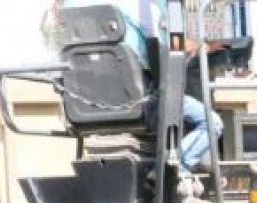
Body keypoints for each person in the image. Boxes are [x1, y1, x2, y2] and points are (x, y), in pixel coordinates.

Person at [56, 0, 224, 172]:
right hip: (134, 103)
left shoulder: (70, 5)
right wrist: (203, 47)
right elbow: (169, 45)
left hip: (82, 107)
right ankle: (174, 169)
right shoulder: (145, 7)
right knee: (210, 122)